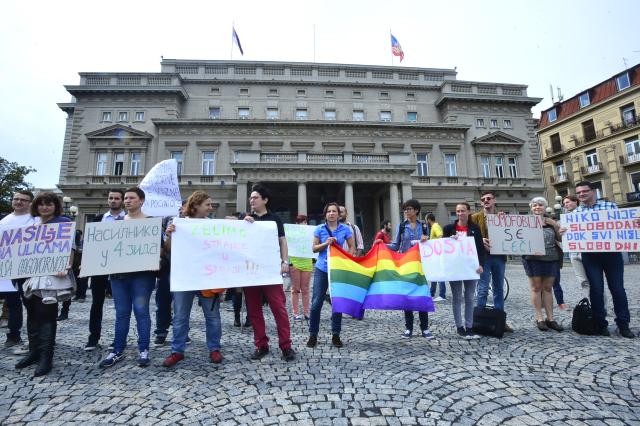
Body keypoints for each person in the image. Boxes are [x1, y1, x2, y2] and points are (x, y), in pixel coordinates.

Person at [99, 187, 161, 368]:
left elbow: (159, 248)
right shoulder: (116, 223)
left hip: (142, 276)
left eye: (131, 198)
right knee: (121, 313)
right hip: (119, 276)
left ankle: (143, 349)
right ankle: (117, 349)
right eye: (125, 198)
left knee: (141, 311)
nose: (127, 201)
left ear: (141, 200)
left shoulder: (151, 223)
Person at [161, 191, 224, 366]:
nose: (211, 208)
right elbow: (168, 250)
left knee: (212, 316)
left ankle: (214, 349)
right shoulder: (179, 224)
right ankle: (177, 351)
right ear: (195, 206)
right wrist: (170, 235)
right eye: (208, 205)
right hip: (184, 277)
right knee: (180, 316)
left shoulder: (214, 225)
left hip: (207, 278)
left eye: (211, 205)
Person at [16, 192, 75, 377]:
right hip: (29, 274)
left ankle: (46, 357)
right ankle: (34, 351)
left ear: (55, 206)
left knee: (47, 313)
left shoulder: (63, 222)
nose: (44, 207)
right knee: (32, 312)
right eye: (41, 204)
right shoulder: (31, 224)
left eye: (48, 204)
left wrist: (66, 265)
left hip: (51, 275)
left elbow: (70, 247)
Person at [567, 181, 634, 338]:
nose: (581, 194)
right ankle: (600, 324)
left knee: (618, 289)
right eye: (579, 193)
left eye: (585, 191)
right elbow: (571, 234)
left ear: (593, 191)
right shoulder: (575, 214)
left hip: (612, 254)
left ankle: (623, 324)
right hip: (590, 256)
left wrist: (633, 223)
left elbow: (624, 225)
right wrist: (565, 231)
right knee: (596, 290)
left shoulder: (610, 207)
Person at [243, 183, 296, 361]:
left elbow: (282, 241)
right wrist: (244, 225)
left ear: (265, 200)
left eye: (255, 197)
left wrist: (284, 262)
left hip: (270, 271)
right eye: (250, 197)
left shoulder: (275, 219)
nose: (252, 200)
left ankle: (286, 346)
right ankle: (261, 345)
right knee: (254, 310)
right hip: (251, 272)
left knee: (279, 308)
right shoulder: (246, 220)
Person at [306, 202, 355, 348]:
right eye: (329, 211)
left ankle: (336, 335)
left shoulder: (345, 229)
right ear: (325, 214)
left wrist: (348, 258)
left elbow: (352, 246)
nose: (332, 214)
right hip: (322, 268)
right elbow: (314, 249)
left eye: (334, 211)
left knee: (337, 303)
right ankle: (313, 334)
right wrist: (326, 243)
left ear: (338, 215)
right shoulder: (320, 229)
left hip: (337, 269)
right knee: (316, 304)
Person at [84, 189, 125, 351]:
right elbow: (90, 243)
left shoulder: (129, 220)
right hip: (99, 266)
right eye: (111, 198)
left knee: (122, 305)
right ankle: (93, 337)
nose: (113, 201)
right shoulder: (98, 220)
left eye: (116, 198)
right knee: (97, 303)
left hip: (121, 267)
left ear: (122, 201)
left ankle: (118, 339)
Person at [387, 199, 434, 339]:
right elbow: (395, 245)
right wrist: (382, 245)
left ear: (416, 211)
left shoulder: (424, 226)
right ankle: (409, 328)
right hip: (406, 265)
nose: (406, 211)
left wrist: (427, 239)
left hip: (421, 265)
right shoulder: (401, 226)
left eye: (409, 209)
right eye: (405, 209)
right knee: (407, 297)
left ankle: (425, 328)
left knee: (421, 296)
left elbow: (431, 246)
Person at [0, 190, 38, 354]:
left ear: (30, 203)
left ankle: (35, 338)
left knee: (32, 305)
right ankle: (13, 335)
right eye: (16, 199)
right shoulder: (4, 221)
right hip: (8, 269)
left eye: (23, 200)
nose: (19, 202)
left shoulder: (35, 220)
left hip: (28, 269)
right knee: (13, 303)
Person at [471, 190, 513, 332]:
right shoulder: (475, 218)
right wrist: (480, 240)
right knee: (482, 289)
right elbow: (468, 234)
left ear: (494, 200)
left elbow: (512, 234)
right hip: (484, 257)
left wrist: (505, 221)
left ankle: (499, 319)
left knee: (499, 289)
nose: (486, 201)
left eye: (489, 198)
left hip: (499, 256)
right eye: (483, 199)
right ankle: (480, 320)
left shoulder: (502, 217)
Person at [442, 203, 485, 339]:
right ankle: (459, 326)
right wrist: (449, 240)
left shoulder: (475, 228)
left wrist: (481, 264)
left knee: (470, 297)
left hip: (471, 268)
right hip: (455, 268)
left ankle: (469, 326)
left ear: (468, 212)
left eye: (463, 211)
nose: (460, 213)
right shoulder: (449, 229)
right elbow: (443, 248)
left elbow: (480, 248)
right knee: (457, 297)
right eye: (458, 211)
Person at [522, 197, 563, 332]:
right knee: (536, 288)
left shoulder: (551, 222)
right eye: (534, 205)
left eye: (540, 205)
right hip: (532, 258)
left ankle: (550, 319)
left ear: (545, 207)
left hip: (551, 258)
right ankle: (539, 318)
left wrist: (557, 226)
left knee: (547, 288)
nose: (537, 207)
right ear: (531, 208)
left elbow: (560, 238)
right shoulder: (524, 222)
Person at [562, 195, 590, 292]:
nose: (565, 205)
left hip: (587, 251)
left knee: (594, 280)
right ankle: (589, 304)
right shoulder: (566, 218)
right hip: (573, 252)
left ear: (576, 202)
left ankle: (601, 305)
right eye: (564, 203)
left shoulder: (585, 213)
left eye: (568, 202)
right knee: (583, 281)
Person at [290, 214, 313, 321]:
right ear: (296, 224)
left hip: (307, 263)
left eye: (305, 222)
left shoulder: (310, 233)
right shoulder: (291, 234)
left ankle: (306, 312)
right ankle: (295, 313)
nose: (304, 224)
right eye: (301, 222)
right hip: (295, 263)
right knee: (295, 289)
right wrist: (289, 263)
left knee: (305, 289)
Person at [426, 213, 446, 302]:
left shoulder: (435, 226)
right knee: (434, 273)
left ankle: (442, 295)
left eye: (426, 220)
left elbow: (440, 236)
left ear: (428, 219)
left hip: (437, 254)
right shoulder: (434, 226)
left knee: (439, 274)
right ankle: (431, 293)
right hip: (435, 254)